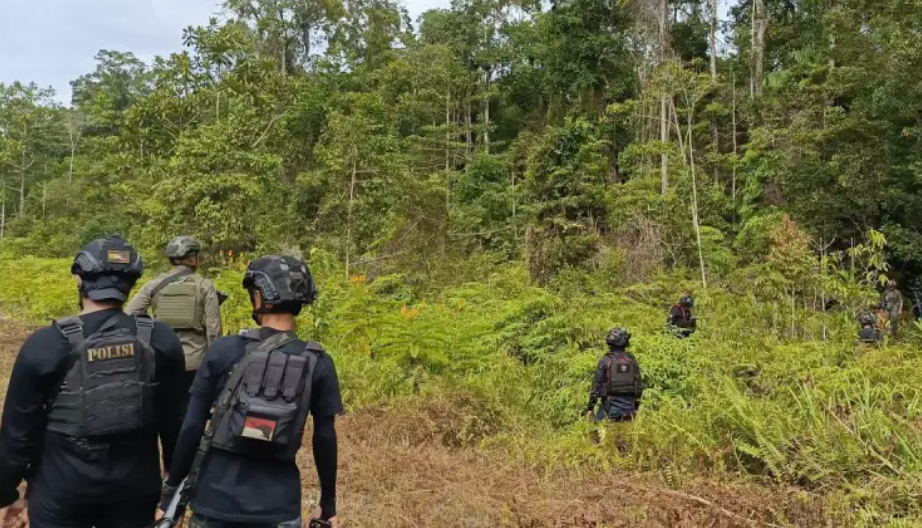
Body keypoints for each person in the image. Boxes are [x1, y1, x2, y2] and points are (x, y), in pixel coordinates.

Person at [0, 235, 187, 528]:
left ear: (79, 279)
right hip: (136, 490)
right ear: (131, 285)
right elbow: (175, 421)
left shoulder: (46, 344)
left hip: (60, 491)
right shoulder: (161, 340)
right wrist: (173, 486)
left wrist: (7, 493)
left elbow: (18, 432)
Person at [158, 255, 343, 528]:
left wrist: (170, 496)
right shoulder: (318, 361)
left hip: (214, 504)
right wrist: (327, 504)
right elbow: (325, 437)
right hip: (278, 508)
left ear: (259, 296)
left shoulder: (222, 350)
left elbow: (192, 426)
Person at [127, 236, 222, 407]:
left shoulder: (154, 285)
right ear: (192, 259)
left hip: (161, 361)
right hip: (194, 364)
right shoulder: (204, 286)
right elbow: (213, 330)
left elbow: (129, 314)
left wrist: (151, 326)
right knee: (191, 412)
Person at [586, 328, 643, 422]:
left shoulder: (605, 361)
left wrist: (590, 408)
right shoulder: (631, 360)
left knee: (594, 427)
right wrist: (635, 408)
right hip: (629, 410)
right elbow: (639, 387)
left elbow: (596, 387)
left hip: (609, 409)